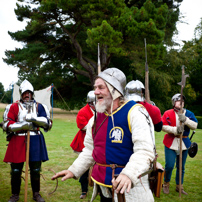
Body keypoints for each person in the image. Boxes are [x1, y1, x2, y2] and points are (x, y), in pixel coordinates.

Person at [52, 67, 155, 202]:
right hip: (104, 187)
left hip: (130, 188)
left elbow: (145, 151)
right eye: (95, 88)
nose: (96, 92)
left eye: (101, 87)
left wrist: (128, 174)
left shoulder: (135, 113)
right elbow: (90, 150)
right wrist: (74, 170)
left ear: (115, 90)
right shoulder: (95, 118)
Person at [2, 79, 52, 202]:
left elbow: (48, 123)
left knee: (35, 170)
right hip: (18, 139)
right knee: (15, 170)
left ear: (32, 93)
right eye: (25, 93)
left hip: (35, 139)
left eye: (29, 93)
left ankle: (36, 193)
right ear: (21, 94)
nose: (27, 95)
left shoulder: (40, 107)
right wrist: (22, 125)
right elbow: (6, 124)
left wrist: (35, 119)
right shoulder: (13, 106)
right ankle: (15, 194)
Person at [161, 93, 198, 195]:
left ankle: (179, 186)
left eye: (182, 100)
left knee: (181, 167)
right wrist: (175, 130)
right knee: (169, 165)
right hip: (171, 141)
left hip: (185, 142)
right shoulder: (168, 113)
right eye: (178, 100)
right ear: (174, 102)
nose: (181, 102)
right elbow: (163, 126)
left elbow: (195, 125)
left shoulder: (189, 113)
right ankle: (166, 184)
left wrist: (185, 120)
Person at [70, 90, 95, 199]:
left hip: (99, 142)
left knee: (98, 167)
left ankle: (97, 188)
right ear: (90, 103)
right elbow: (82, 126)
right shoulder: (83, 111)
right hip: (85, 141)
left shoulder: (102, 110)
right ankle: (84, 190)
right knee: (84, 168)